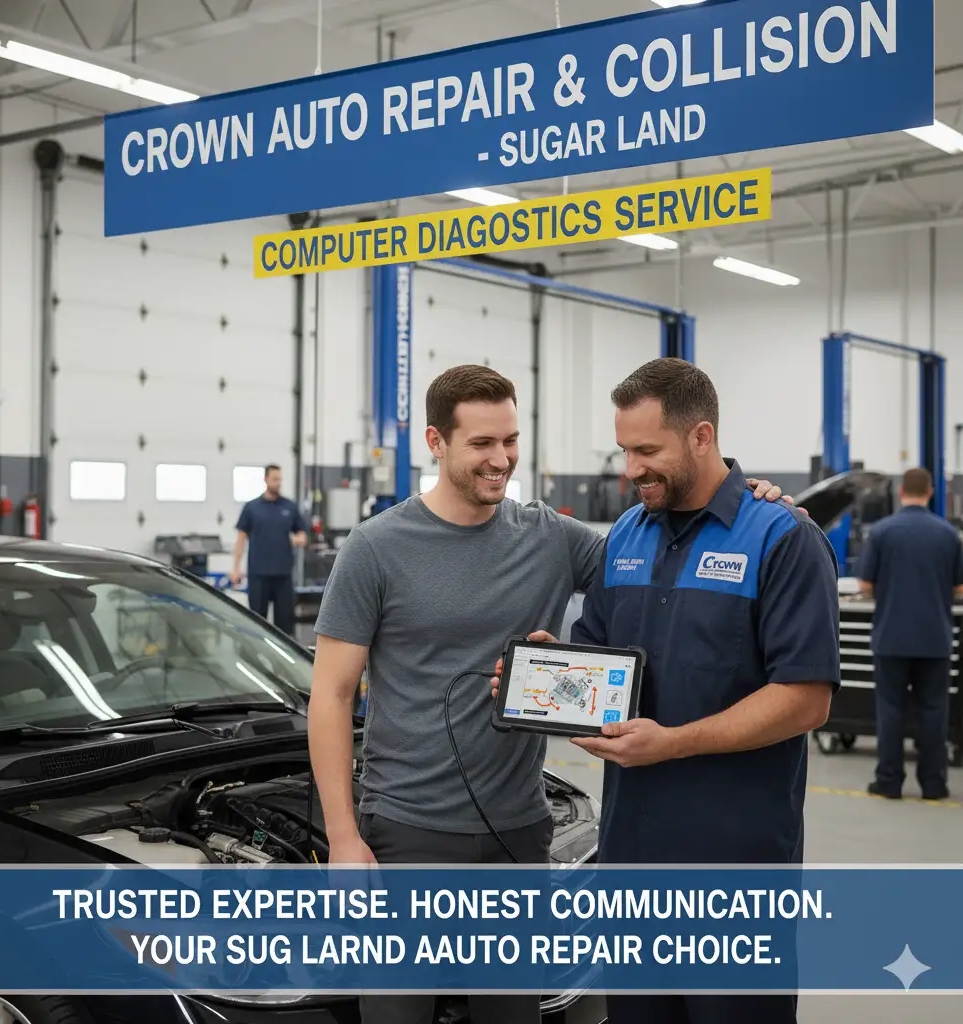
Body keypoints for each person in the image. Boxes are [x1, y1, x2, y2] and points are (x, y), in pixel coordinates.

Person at [308, 363, 798, 1024]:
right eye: (482, 443)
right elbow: (332, 696)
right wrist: (343, 835)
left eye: (510, 440)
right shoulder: (375, 548)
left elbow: (660, 560)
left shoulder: (551, 538)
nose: (501, 458)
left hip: (518, 833)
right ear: (436, 442)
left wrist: (750, 503)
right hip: (408, 834)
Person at [493, 358, 840, 1024]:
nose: (631, 468)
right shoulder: (625, 534)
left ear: (700, 437)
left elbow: (806, 698)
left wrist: (674, 744)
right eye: (624, 450)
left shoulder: (782, 539)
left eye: (647, 450)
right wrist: (548, 681)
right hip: (634, 864)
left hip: (734, 872)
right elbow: (599, 666)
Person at [855, 467, 963, 801]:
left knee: (891, 710)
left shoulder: (883, 532)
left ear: (902, 493)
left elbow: (864, 584)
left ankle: (889, 782)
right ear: (930, 493)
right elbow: (959, 589)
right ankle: (934, 785)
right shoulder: (948, 534)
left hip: (891, 637)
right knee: (934, 712)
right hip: (935, 638)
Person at [231, 464, 309, 635]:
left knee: (285, 625)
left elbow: (303, 536)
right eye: (275, 479)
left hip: (283, 575)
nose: (278, 483)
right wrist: (235, 569)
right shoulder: (252, 508)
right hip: (259, 575)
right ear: (266, 479)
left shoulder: (289, 507)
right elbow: (241, 539)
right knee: (257, 623)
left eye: (280, 479)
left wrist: (296, 539)